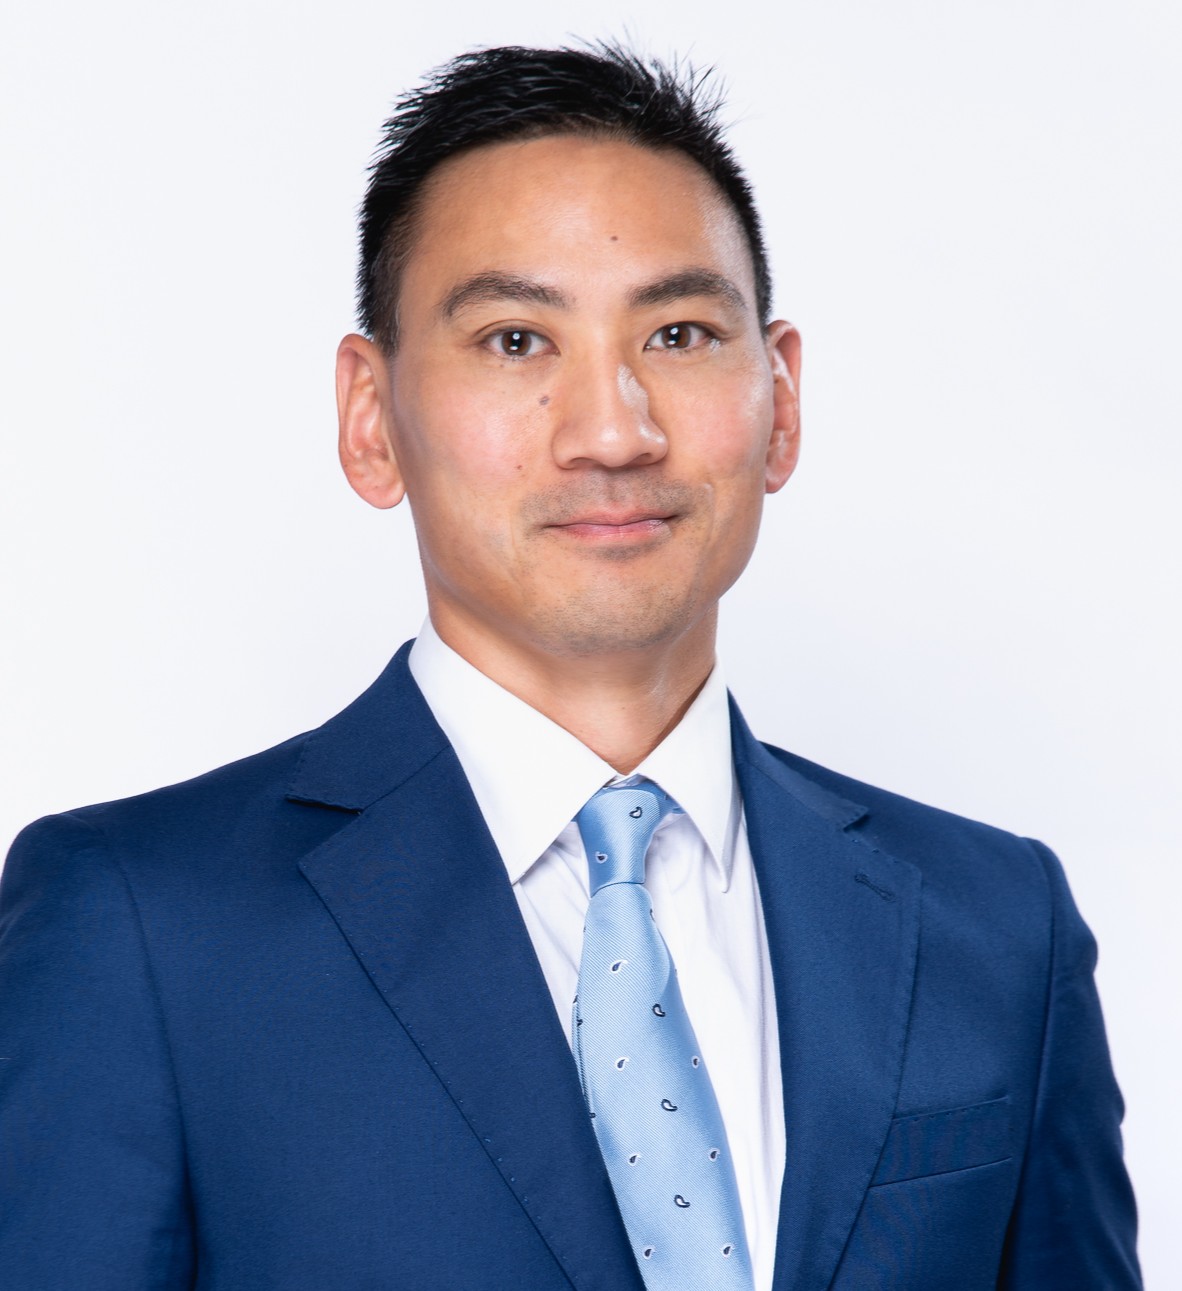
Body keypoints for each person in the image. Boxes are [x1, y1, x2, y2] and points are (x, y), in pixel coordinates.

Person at [0, 44, 1140, 1290]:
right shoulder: (141, 926)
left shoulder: (995, 926)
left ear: (781, 399)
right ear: (371, 419)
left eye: (681, 333)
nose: (613, 431)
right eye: (515, 341)